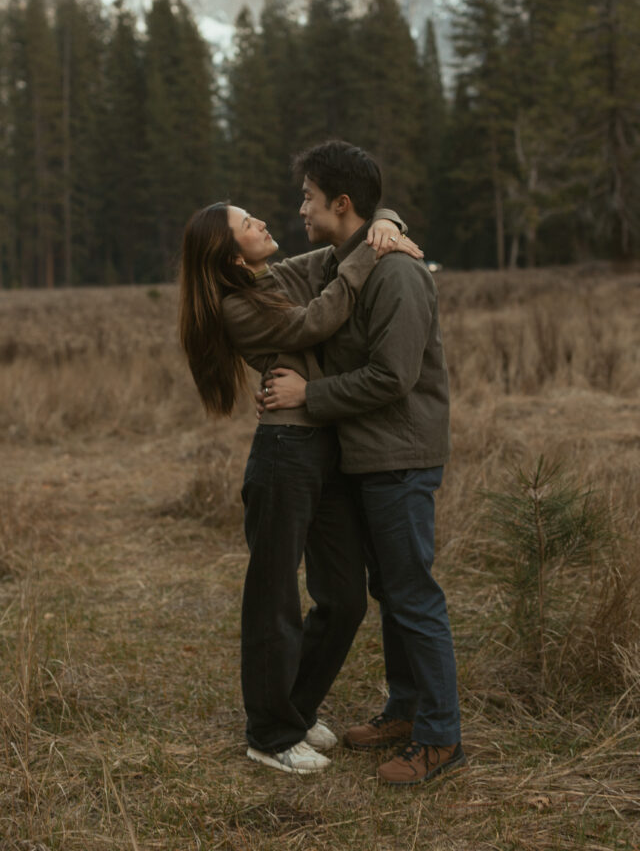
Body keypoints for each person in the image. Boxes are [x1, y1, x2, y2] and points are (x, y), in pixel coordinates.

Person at [178, 198, 421, 776]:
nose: (262, 221)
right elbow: (318, 319)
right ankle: (270, 733)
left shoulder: (273, 278)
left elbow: (338, 251)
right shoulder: (238, 306)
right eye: (246, 224)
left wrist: (386, 220)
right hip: (284, 457)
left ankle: (295, 705)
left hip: (324, 452)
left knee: (343, 598)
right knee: (274, 600)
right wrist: (368, 256)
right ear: (230, 255)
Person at [262, 141, 466, 785]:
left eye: (309, 198)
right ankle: (405, 711)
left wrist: (307, 396)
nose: (300, 209)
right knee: (392, 593)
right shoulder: (344, 260)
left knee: (413, 596)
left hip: (400, 457)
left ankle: (441, 737)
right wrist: (391, 217)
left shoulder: (397, 274)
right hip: (371, 457)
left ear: (341, 204)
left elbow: (393, 376)